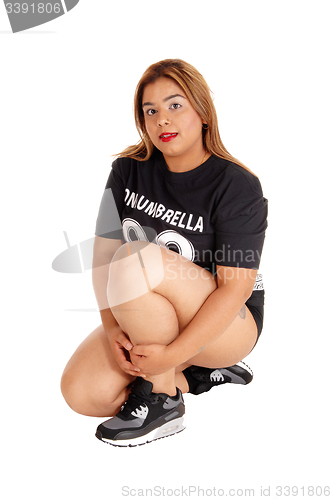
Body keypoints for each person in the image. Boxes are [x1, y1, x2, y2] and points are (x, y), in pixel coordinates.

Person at [60, 59, 268, 447]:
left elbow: (234, 290)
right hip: (153, 310)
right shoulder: (128, 170)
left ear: (203, 112)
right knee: (84, 394)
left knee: (136, 258)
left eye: (175, 106)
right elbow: (103, 257)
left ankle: (163, 400)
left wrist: (167, 357)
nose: (162, 121)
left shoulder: (237, 186)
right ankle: (202, 375)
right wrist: (111, 329)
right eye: (150, 111)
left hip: (231, 322)